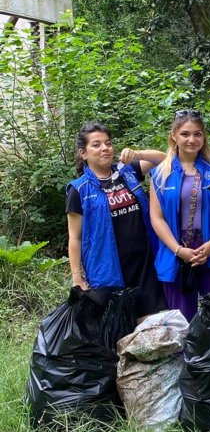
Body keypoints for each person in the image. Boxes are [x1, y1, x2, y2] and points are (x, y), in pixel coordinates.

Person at [66, 121, 167, 320]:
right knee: (119, 326)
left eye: (108, 143)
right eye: (96, 144)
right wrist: (77, 276)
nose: (104, 148)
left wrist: (137, 154)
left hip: (144, 262)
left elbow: (163, 160)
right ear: (83, 153)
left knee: (148, 322)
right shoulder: (79, 190)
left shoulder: (127, 172)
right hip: (108, 267)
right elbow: (75, 237)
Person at [149, 110, 210, 322]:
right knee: (182, 321)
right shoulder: (161, 173)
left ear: (204, 136)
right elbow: (157, 217)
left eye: (197, 134)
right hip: (176, 254)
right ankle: (185, 356)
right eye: (185, 134)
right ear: (174, 136)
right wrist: (179, 250)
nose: (192, 139)